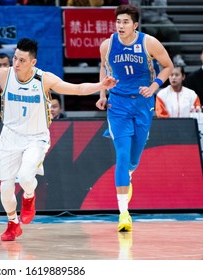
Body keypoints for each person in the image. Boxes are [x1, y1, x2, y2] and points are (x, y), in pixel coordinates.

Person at [0, 38, 116, 241]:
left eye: (22, 60)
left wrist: (100, 85)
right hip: (9, 136)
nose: (16, 63)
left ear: (33, 62)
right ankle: (12, 223)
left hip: (36, 138)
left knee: (25, 177)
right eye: (15, 58)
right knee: (5, 186)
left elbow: (76, 89)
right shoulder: (4, 75)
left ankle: (29, 197)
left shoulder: (44, 79)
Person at [96, 4, 173, 232]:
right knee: (121, 156)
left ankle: (128, 175)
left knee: (133, 160)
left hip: (142, 103)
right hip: (118, 103)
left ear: (135, 25)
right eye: (118, 21)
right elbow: (104, 68)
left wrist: (154, 86)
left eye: (125, 22)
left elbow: (168, 66)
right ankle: (123, 213)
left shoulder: (149, 43)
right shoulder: (107, 45)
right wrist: (102, 93)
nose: (121, 26)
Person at [130, 0, 186, 66]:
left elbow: (162, 9)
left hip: (161, 19)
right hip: (145, 20)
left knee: (173, 31)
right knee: (150, 34)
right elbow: (135, 9)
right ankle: (152, 58)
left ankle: (176, 56)